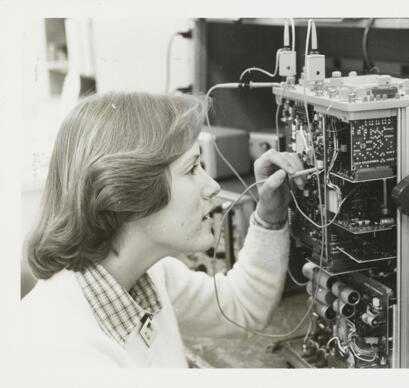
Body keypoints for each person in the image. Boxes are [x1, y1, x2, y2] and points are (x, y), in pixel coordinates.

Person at [20, 91, 304, 367]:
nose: (213, 186)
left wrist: (269, 214)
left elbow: (241, 306)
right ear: (128, 192)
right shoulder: (63, 354)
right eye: (192, 168)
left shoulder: (150, 277)